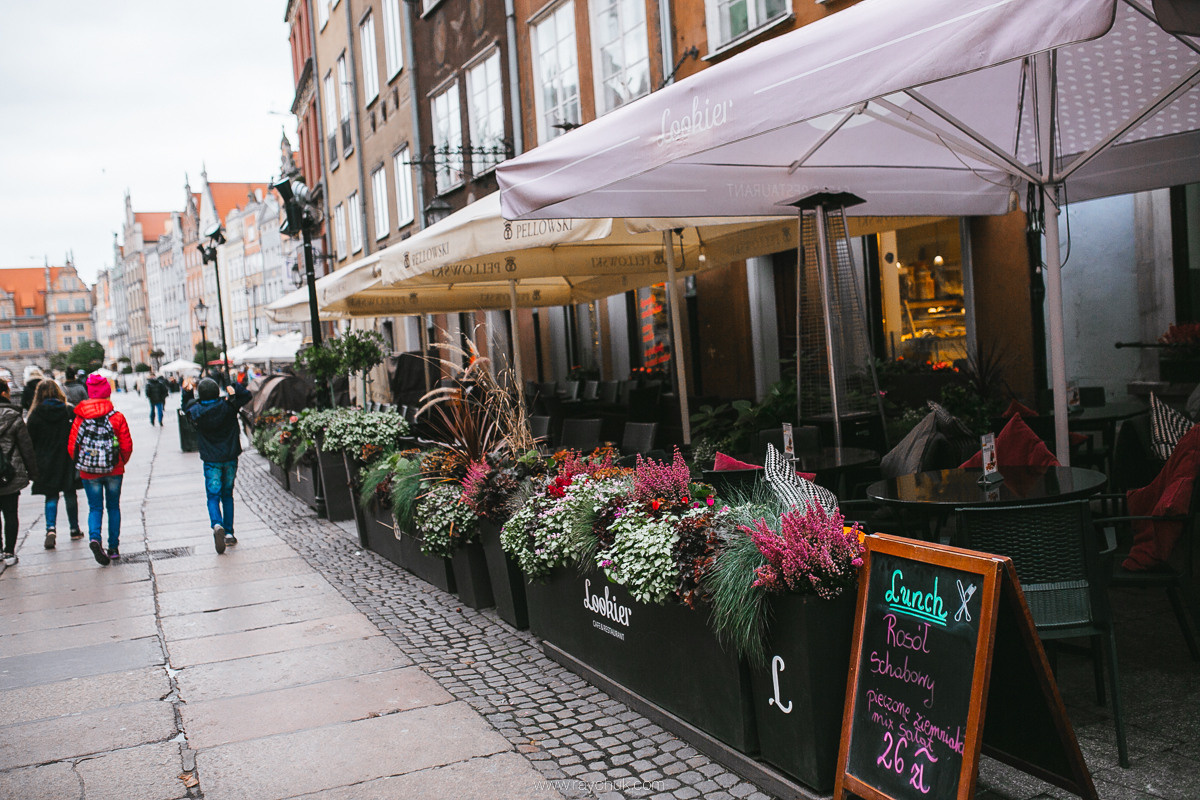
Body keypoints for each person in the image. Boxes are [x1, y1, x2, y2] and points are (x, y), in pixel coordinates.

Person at [69, 374, 133, 566]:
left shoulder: (80, 418)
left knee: (95, 507)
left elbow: (72, 446)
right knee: (113, 507)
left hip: (89, 472)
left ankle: (95, 538)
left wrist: (82, 463)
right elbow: (126, 445)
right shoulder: (117, 417)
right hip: (114, 470)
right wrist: (120, 462)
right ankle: (113, 548)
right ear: (107, 393)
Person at [182, 376, 251, 553]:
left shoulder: (195, 410)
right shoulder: (228, 406)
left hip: (211, 459)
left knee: (213, 496)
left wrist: (187, 391)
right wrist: (232, 385)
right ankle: (229, 533)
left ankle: (217, 524)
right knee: (227, 495)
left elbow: (185, 406)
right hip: (230, 456)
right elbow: (246, 395)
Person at [26, 380, 83, 548]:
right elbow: (78, 434)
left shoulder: (35, 414)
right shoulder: (68, 410)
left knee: (51, 496)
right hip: (67, 458)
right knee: (70, 493)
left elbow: (30, 440)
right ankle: (74, 529)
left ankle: (50, 529)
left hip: (45, 460)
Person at [0, 378, 37, 565]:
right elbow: (26, 447)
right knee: (10, 513)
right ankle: (9, 552)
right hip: (10, 472)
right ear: (4, 393)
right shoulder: (13, 416)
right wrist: (33, 472)